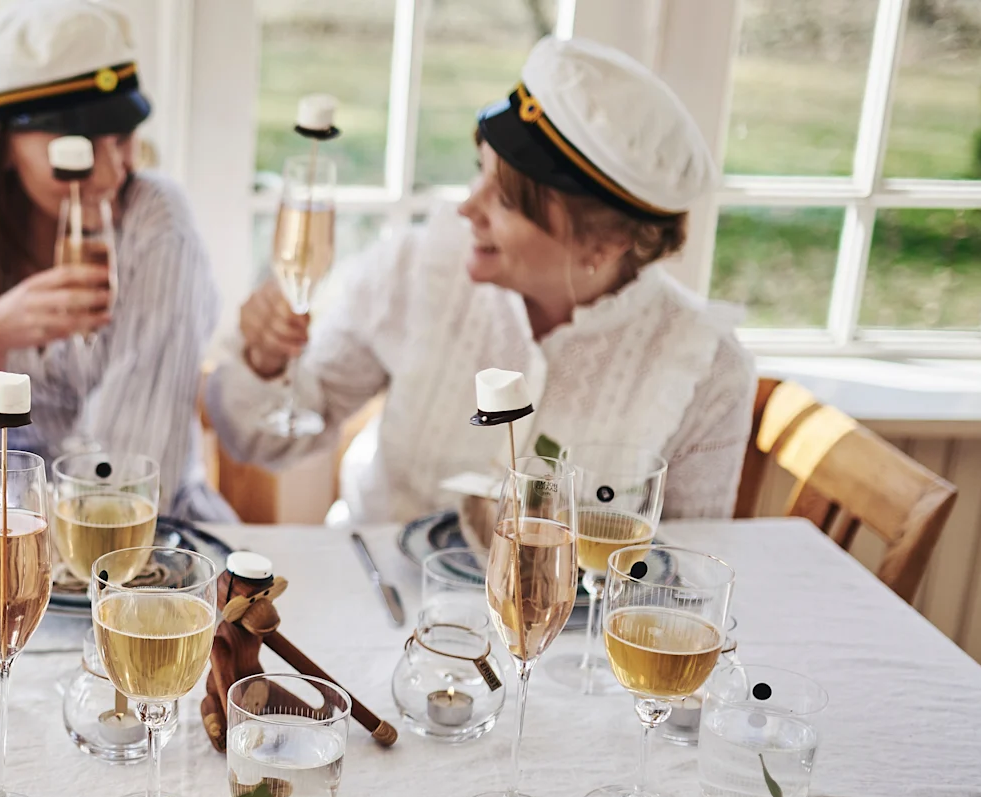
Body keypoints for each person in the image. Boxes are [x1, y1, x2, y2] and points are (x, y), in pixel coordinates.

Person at [205, 36, 757, 523]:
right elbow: (264, 440)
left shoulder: (706, 371)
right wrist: (266, 360)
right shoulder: (417, 269)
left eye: (508, 200)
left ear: (605, 243)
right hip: (379, 600)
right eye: (480, 170)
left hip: (564, 637)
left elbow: (677, 582)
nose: (469, 207)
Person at [0, 0, 232, 520]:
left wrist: (15, 506)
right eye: (81, 148)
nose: (112, 173)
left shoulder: (156, 223)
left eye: (123, 138)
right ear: (2, 150)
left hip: (155, 543)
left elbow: (130, 477)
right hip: (11, 547)